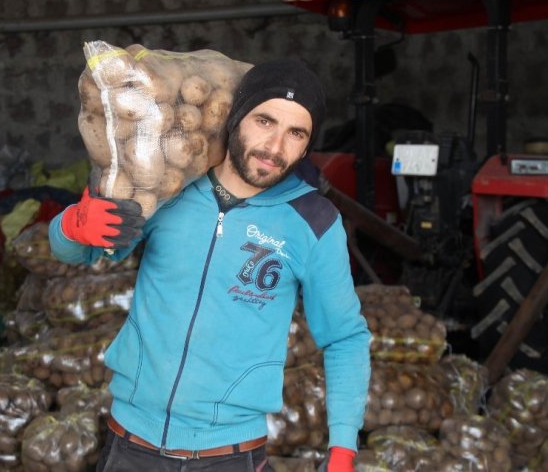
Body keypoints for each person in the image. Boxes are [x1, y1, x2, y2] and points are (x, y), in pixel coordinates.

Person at [49, 58, 371, 472]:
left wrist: (343, 448)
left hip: (230, 456)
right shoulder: (169, 186)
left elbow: (345, 337)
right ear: (237, 118)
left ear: (307, 147)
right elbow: (74, 253)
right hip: (131, 446)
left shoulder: (313, 221)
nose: (275, 147)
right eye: (264, 121)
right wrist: (74, 224)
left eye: (296, 133)